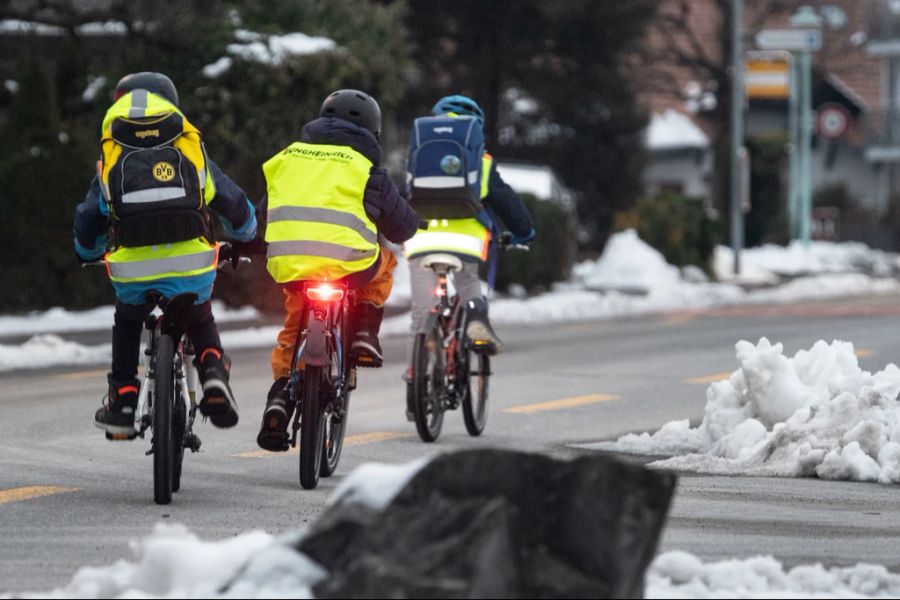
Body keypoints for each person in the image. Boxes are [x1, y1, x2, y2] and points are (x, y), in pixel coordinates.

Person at [74, 72, 257, 438]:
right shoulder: (186, 142)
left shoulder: (113, 150)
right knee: (200, 315)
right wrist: (246, 233)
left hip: (133, 269)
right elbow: (229, 198)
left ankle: (124, 398)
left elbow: (91, 215)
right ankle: (214, 372)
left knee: (128, 321)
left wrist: (87, 249)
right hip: (191, 264)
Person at [255, 89, 419, 451]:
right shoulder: (367, 169)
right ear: (372, 132)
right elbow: (401, 227)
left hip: (292, 264)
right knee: (384, 264)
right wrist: (415, 223)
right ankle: (363, 334)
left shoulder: (290, 158)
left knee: (294, 327)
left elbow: (263, 215)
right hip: (349, 268)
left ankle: (280, 398)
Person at [403, 94, 535, 419]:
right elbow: (508, 204)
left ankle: (415, 383)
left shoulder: (416, 153)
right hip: (465, 242)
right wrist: (523, 233)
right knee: (468, 285)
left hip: (421, 239)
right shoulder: (483, 162)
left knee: (422, 316)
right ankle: (476, 321)